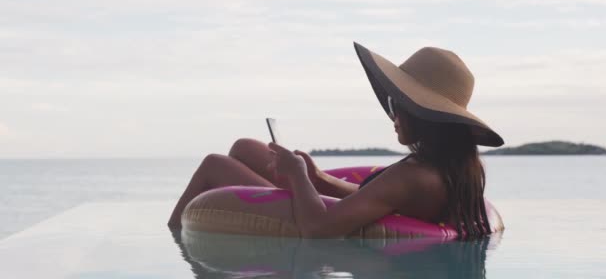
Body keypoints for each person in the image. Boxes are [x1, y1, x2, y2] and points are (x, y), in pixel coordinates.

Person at [168, 42, 504, 238]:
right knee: (244, 148)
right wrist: (318, 178)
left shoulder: (413, 176)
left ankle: (174, 240)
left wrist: (299, 178)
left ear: (423, 116)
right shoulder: (453, 167)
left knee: (214, 165)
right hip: (366, 207)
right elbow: (379, 197)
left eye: (396, 104)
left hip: (321, 223)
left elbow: (318, 229)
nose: (392, 115)